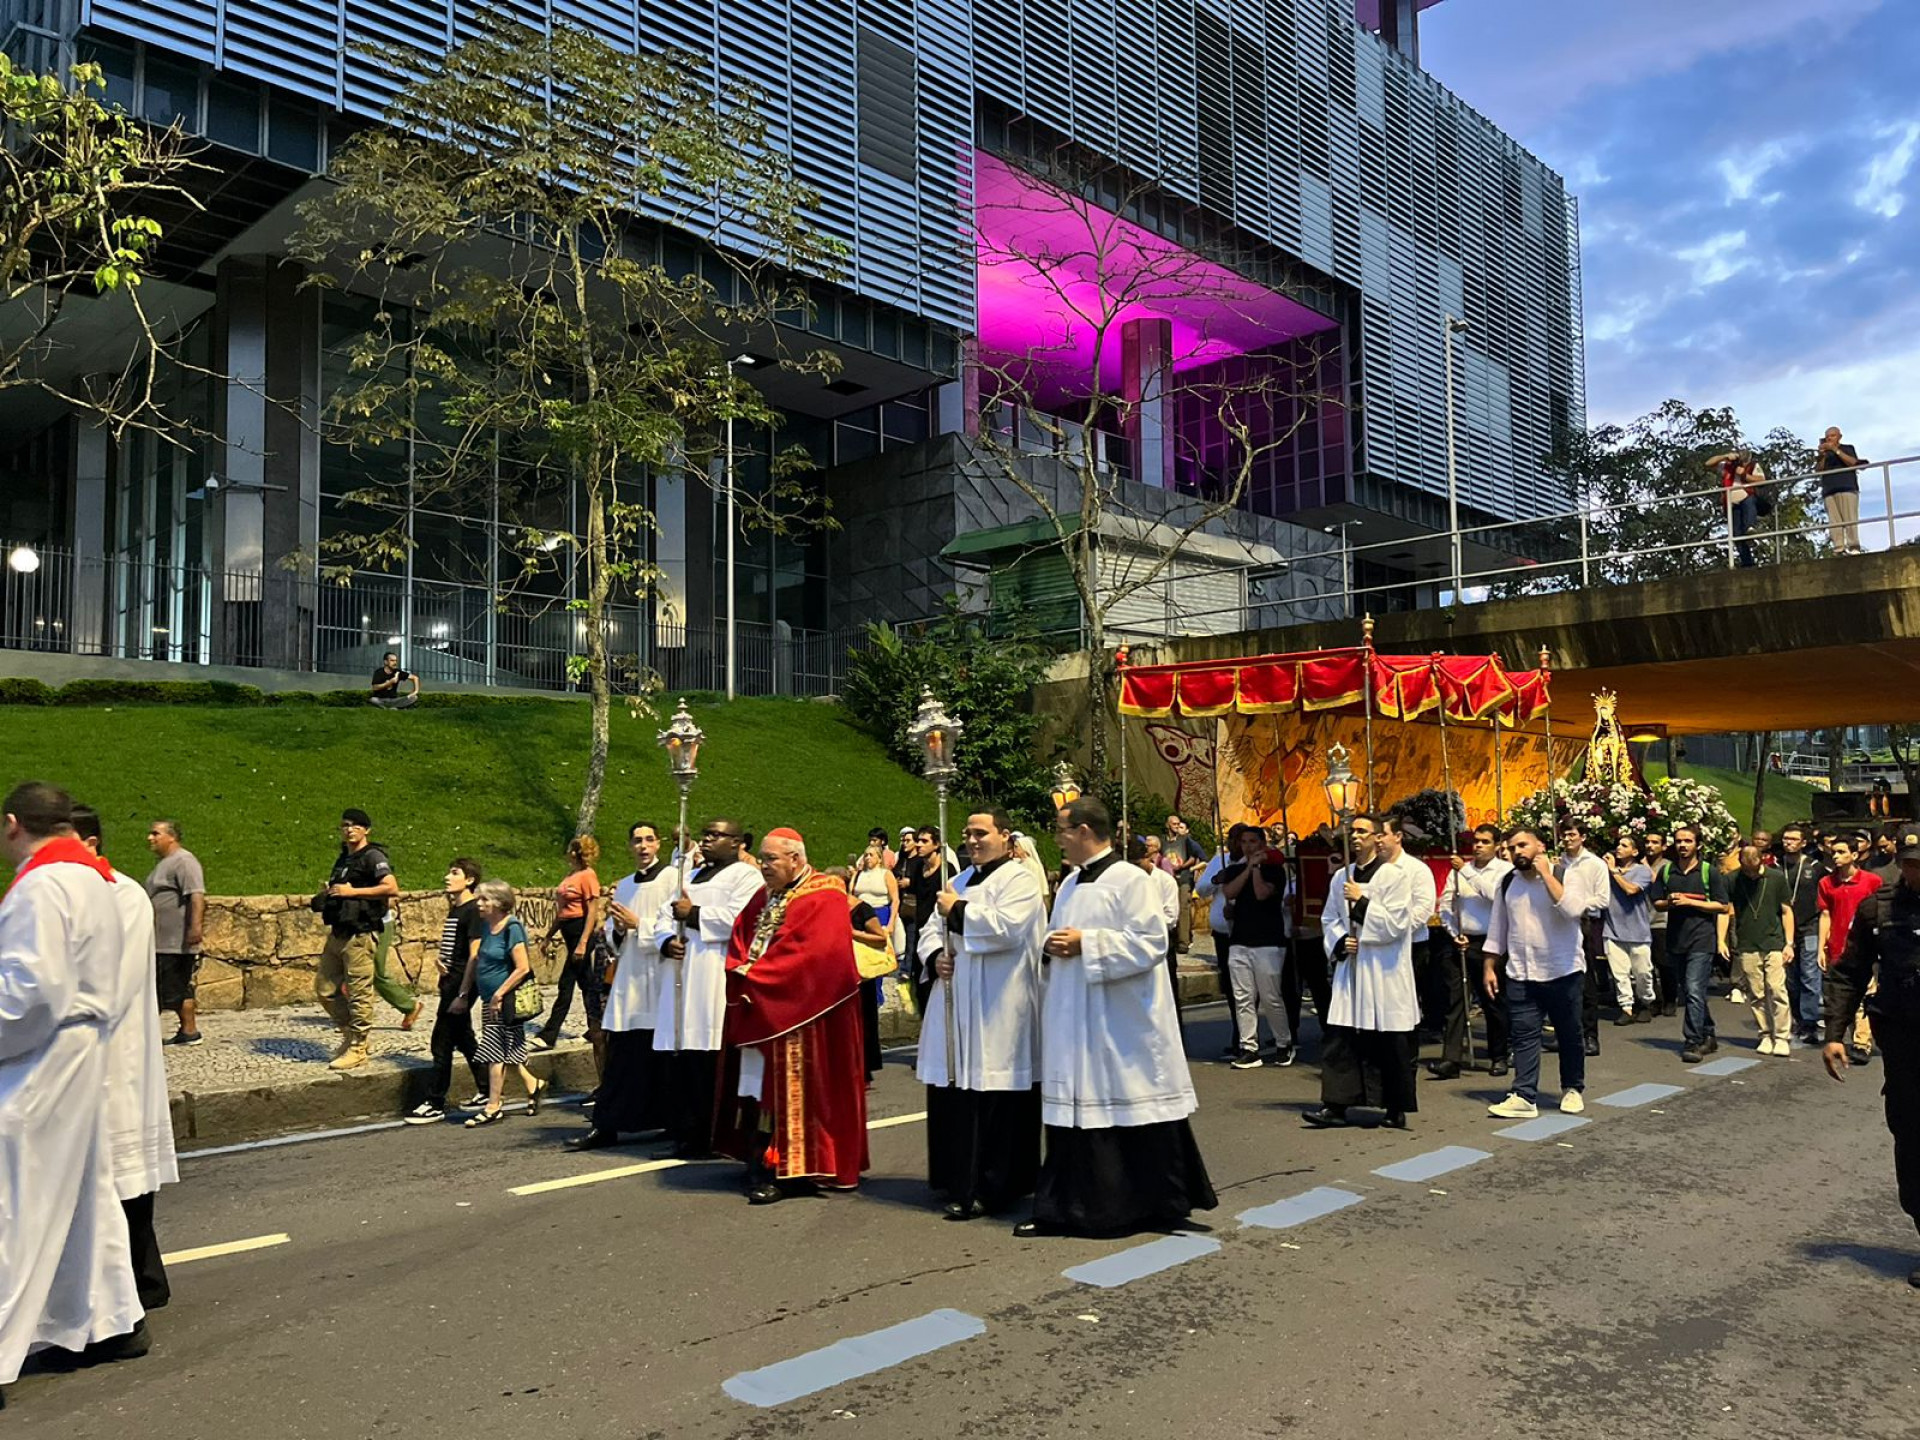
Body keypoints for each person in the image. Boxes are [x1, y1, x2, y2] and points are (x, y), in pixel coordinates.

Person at [0, 781, 146, 1386]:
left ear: (14, 824)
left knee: (15, 1203)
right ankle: (106, 1321)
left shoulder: (42, 886)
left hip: (42, 1057)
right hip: (83, 1049)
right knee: (86, 1194)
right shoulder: (94, 880)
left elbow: (30, 994)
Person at [1017, 797, 1214, 1238]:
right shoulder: (1070, 883)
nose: (1057, 839)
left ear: (1085, 831)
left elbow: (1151, 942)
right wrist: (1051, 946)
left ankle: (1127, 1208)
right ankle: (1062, 1208)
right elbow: (1055, 936)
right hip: (1073, 1013)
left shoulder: (1130, 880)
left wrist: (1087, 943)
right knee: (1073, 1115)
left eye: (1062, 830)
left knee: (1120, 1112)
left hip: (1119, 1022)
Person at [713, 828, 868, 1204]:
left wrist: (759, 976)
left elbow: (816, 955)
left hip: (805, 1014)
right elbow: (741, 933)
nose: (763, 866)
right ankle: (758, 1156)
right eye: (762, 858)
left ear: (795, 859)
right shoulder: (765, 894)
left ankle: (794, 1171)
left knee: (796, 1092)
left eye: (771, 859)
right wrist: (741, 968)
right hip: (761, 1004)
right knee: (757, 1086)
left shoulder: (825, 894)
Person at [71, 804, 177, 1327]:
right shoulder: (92, 894)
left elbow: (100, 977)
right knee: (112, 1177)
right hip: (103, 1051)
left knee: (121, 1176)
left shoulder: (120, 895)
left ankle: (134, 1291)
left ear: (90, 843)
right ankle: (141, 1282)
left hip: (116, 1053)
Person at [916, 809, 1048, 1220]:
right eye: (967, 833)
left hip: (999, 1003)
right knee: (956, 1091)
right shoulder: (956, 882)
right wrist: (935, 956)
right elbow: (929, 930)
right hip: (956, 997)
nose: (972, 840)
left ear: (1005, 836)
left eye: (981, 833)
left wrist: (957, 911)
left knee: (995, 1095)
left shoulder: (1020, 880)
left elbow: (1007, 929)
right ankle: (955, 1178)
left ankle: (994, 1186)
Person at [1821, 826, 1920, 1285]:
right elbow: (1850, 971)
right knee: (1911, 1144)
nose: (1914, 872)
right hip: (1903, 1048)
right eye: (1909, 864)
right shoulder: (1877, 908)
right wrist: (1835, 1033)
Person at [654, 818, 763, 1158]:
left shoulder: (746, 876)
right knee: (680, 1056)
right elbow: (663, 914)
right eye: (705, 834)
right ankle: (682, 1130)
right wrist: (665, 940)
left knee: (706, 1056)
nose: (707, 840)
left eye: (716, 835)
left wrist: (693, 913)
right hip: (681, 971)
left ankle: (707, 1134)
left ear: (737, 842)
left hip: (713, 972)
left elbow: (741, 920)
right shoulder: (689, 876)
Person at [1305, 813, 1421, 1131]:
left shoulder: (1394, 876)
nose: (1355, 837)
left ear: (1377, 838)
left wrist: (1362, 902)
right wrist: (1341, 941)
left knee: (1388, 1040)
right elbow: (1330, 918)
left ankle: (1394, 1106)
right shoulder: (1340, 877)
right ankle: (1335, 1105)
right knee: (1342, 1038)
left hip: (1384, 968)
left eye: (1362, 831)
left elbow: (1397, 924)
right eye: (1352, 831)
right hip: (1352, 968)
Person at [570, 823, 679, 1150]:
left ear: (658, 844)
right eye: (637, 840)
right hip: (629, 978)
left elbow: (675, 928)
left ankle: (668, 1121)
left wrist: (639, 925)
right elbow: (610, 934)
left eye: (649, 840)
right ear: (630, 846)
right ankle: (606, 1125)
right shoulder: (626, 885)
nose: (643, 846)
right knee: (621, 1057)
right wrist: (617, 929)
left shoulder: (672, 879)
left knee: (662, 1061)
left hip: (659, 976)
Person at [1483, 826, 1591, 1119]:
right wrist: (1490, 964)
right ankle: (1524, 1095)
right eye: (1512, 848)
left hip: (1563, 970)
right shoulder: (1508, 882)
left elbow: (1573, 910)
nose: (1517, 852)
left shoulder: (1567, 874)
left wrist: (1546, 875)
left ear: (1540, 846)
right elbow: (1498, 926)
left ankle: (1572, 1088)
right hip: (1521, 972)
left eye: (1523, 845)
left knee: (1569, 1032)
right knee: (1523, 1035)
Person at [312, 808, 402, 1071]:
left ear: (366, 830)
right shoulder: (345, 858)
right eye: (345, 825)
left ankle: (359, 1046)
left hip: (360, 934)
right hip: (338, 931)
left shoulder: (373, 856)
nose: (349, 830)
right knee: (325, 989)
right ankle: (349, 1034)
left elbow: (391, 888)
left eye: (355, 825)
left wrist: (352, 892)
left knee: (359, 993)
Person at [450, 880, 545, 1127]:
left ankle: (493, 1106)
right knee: (508, 1050)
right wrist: (463, 993)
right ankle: (533, 1084)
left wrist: (499, 994)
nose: (479, 904)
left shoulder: (512, 928)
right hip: (489, 1000)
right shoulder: (486, 926)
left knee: (494, 1051)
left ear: (500, 903)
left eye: (485, 899)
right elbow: (476, 959)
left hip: (504, 1001)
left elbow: (522, 967)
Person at [407, 858, 490, 1124]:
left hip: (461, 984)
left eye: (454, 873)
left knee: (441, 1041)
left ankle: (435, 1102)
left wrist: (463, 994)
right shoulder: (456, 909)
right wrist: (442, 962)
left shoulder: (473, 911)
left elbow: (475, 954)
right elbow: (458, 949)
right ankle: (488, 1089)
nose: (447, 877)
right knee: (464, 1038)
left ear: (469, 880)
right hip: (450, 979)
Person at [1435, 825, 1514, 1078]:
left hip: (1490, 943)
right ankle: (1451, 1059)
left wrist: (1466, 872)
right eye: (1476, 841)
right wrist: (1453, 932)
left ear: (1497, 846)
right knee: (1456, 1000)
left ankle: (1499, 1055)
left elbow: (1494, 896)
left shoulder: (1504, 870)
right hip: (1462, 940)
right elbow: (1446, 904)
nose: (1478, 846)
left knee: (1493, 1001)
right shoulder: (1458, 871)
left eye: (1485, 842)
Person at [1217, 823, 1294, 1069]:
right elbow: (1230, 892)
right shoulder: (1235, 869)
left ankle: (1283, 1043)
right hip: (1240, 940)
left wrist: (1257, 868)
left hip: (1268, 941)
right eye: (1244, 842)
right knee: (1243, 997)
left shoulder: (1274, 871)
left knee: (1271, 997)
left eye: (1252, 842)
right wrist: (1248, 868)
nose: (1248, 846)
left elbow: (1262, 893)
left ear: (1261, 844)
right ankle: (1249, 1047)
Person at [1652, 824, 1729, 1065]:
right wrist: (1670, 902)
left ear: (1698, 845)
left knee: (1694, 989)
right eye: (1679, 841)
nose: (1683, 845)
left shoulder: (1708, 872)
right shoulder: (1668, 871)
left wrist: (1691, 902)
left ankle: (1693, 1041)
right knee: (1689, 990)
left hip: (1702, 939)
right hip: (1676, 939)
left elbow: (1722, 905)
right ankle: (1708, 1033)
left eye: (1688, 841)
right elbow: (1656, 902)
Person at [533, 835, 603, 1054]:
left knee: (566, 983)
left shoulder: (588, 875)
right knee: (587, 983)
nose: (570, 853)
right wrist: (549, 935)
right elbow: (562, 911)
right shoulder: (571, 875)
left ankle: (549, 1034)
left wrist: (583, 943)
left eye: (574, 850)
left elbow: (592, 911)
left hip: (581, 931)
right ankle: (597, 1026)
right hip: (568, 930)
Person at [1819, 835, 1884, 1067]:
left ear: (1854, 855)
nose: (1836, 856)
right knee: (1842, 994)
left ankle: (1861, 1043)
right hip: (1838, 945)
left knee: (1865, 994)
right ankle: (1844, 1036)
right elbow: (1825, 914)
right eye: (1833, 852)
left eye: (1841, 852)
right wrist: (1821, 946)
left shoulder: (1872, 881)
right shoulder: (1826, 883)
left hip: (1864, 948)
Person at [142, 819, 204, 1047]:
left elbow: (196, 895)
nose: (150, 838)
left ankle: (144, 1036)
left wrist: (195, 928)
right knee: (177, 986)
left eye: (155, 833)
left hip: (174, 941)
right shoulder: (165, 863)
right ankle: (189, 1031)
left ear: (172, 837)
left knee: (160, 989)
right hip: (161, 940)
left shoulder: (184, 861)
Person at [1729, 844, 1795, 1055]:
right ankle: (1765, 1034)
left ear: (1762, 861)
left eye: (1754, 869)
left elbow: (1786, 911)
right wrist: (1722, 940)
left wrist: (1789, 943)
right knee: (1756, 992)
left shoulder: (1775, 878)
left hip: (1774, 941)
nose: (1751, 874)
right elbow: (1725, 909)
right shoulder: (1733, 879)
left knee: (1776, 989)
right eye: (1746, 870)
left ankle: (1782, 1036)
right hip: (1747, 942)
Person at [1557, 819, 1611, 1056]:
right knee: (1561, 982)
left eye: (1572, 835)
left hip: (1584, 922)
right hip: (1558, 924)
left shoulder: (1595, 864)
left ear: (1583, 837)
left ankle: (1590, 1035)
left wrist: (1575, 904)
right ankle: (1565, 1032)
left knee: (1586, 982)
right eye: (1564, 835)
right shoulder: (1558, 863)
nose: (1567, 839)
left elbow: (1603, 899)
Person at [1194, 835, 1247, 1058]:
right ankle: (1238, 1033)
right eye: (1232, 841)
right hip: (1223, 933)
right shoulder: (1219, 860)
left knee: (1247, 988)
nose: (1235, 846)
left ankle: (1248, 1037)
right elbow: (1201, 888)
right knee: (1230, 986)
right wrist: (1217, 879)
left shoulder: (1251, 862)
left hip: (1245, 932)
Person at [1779, 824, 1829, 1046]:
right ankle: (1797, 1018)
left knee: (1809, 975)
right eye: (1785, 838)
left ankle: (1809, 1023)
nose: (1788, 842)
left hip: (1810, 926)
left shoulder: (1815, 868)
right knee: (1789, 978)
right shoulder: (1775, 866)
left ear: (1803, 843)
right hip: (1783, 928)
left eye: (1793, 839)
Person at [1603, 835, 1657, 1025]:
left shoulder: (1642, 871)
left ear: (1635, 852)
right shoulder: (1607, 871)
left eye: (1624, 845)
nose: (1619, 847)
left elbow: (1631, 890)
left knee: (1643, 973)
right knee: (1620, 974)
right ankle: (1626, 1007)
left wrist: (1614, 872)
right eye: (1618, 844)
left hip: (1638, 932)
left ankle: (1646, 1001)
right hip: (1612, 930)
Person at [1132, 835, 1184, 1004]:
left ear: (1147, 859)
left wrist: (1146, 922)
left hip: (1162, 938)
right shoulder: (1130, 881)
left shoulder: (1165, 881)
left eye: (1138, 863)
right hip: (1136, 942)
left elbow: (1171, 917)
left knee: (1168, 992)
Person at [1705, 449, 1763, 568]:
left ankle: (1750, 528)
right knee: (1737, 534)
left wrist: (1744, 474)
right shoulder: (1728, 465)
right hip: (1732, 503)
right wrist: (1725, 456)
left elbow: (1761, 480)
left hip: (1747, 496)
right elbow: (1708, 463)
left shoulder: (1753, 466)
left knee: (1749, 504)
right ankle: (1747, 563)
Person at [1816, 427, 1867, 554]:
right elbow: (1819, 470)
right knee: (1834, 522)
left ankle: (1854, 546)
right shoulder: (1825, 454)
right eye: (1827, 436)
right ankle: (1838, 548)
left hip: (1847, 487)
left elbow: (1853, 463)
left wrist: (1835, 450)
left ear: (1839, 437)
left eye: (1832, 436)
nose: (1829, 438)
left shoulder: (1847, 448)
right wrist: (1822, 456)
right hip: (1829, 490)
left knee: (1850, 519)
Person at [1161, 815, 1206, 954]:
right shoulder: (1162, 841)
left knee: (1183, 908)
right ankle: (1171, 940)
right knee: (1168, 908)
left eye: (1178, 824)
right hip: (1167, 879)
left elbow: (1195, 856)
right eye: (1174, 824)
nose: (1176, 826)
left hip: (1184, 878)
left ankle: (1183, 942)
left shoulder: (1186, 840)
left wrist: (1183, 866)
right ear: (1167, 825)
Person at [1645, 830, 1675, 1016]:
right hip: (1642, 921)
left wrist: (1645, 870)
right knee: (1646, 965)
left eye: (1655, 842)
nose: (1650, 846)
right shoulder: (1638, 864)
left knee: (1664, 963)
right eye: (1648, 842)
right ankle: (1654, 999)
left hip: (1661, 921)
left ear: (1663, 846)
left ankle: (1670, 998)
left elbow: (1661, 884)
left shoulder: (1668, 866)